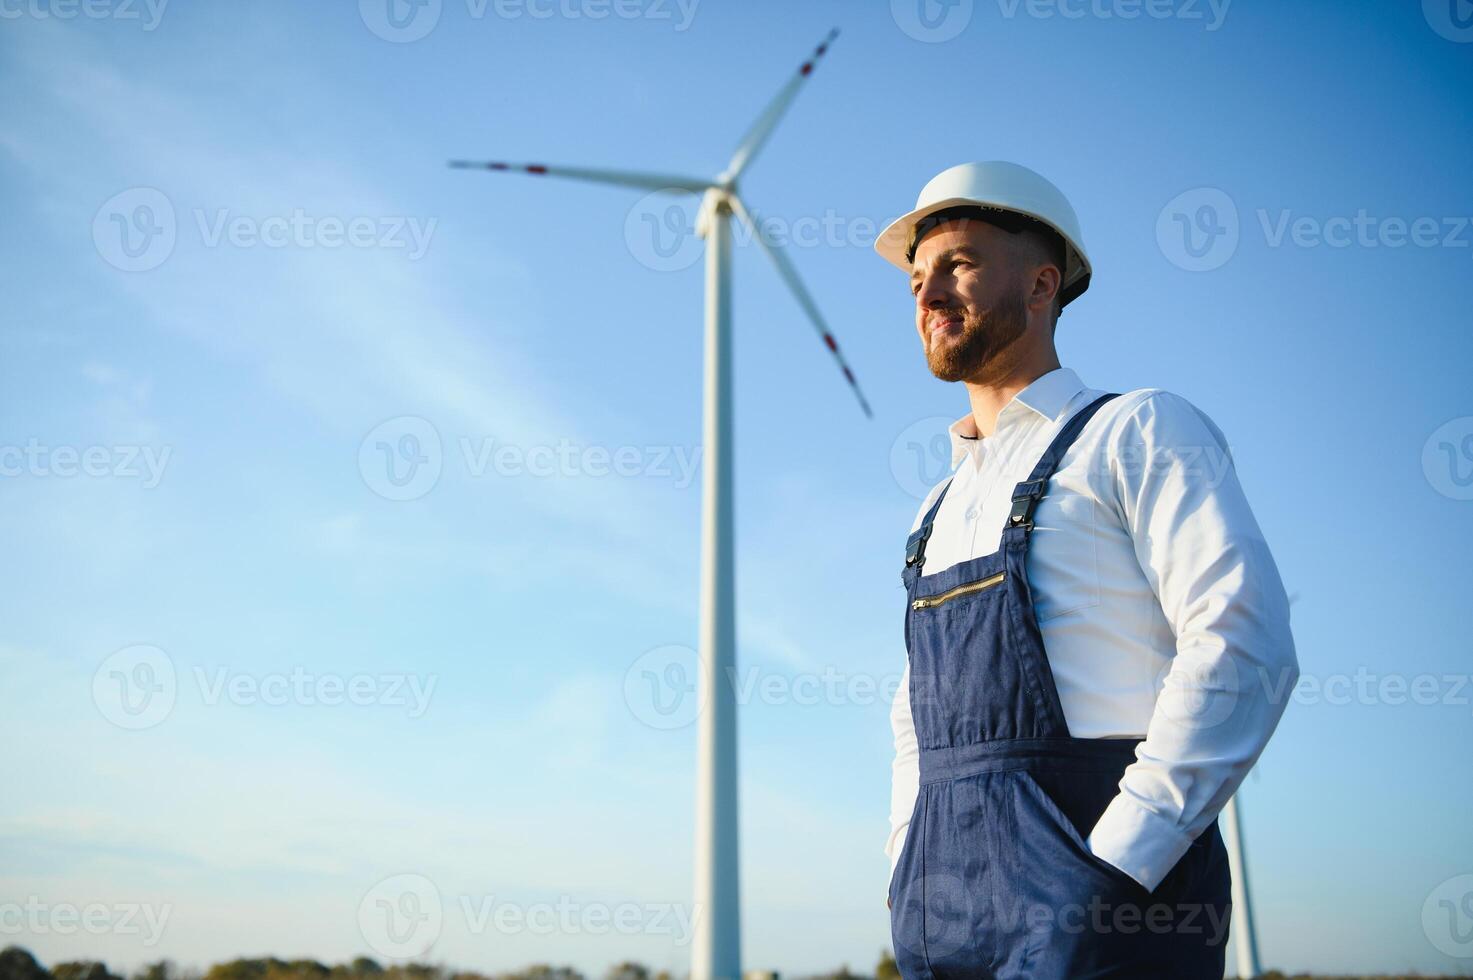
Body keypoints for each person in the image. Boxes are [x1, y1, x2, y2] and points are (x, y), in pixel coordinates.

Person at [875, 161, 1299, 978]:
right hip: (940, 908)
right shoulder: (934, 504)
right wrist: (905, 870)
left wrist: (1117, 867)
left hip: (1103, 893)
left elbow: (1242, 641)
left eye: (958, 265)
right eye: (917, 278)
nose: (927, 296)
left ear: (1041, 285)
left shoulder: (1136, 429)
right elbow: (912, 718)